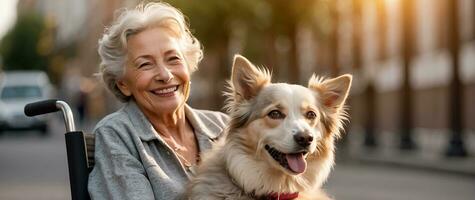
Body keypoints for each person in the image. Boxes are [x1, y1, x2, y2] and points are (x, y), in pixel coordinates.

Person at [88, 2, 228, 200]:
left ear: (188, 65)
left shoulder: (223, 126)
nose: (165, 75)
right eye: (145, 64)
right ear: (123, 84)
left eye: (173, 59)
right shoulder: (117, 135)